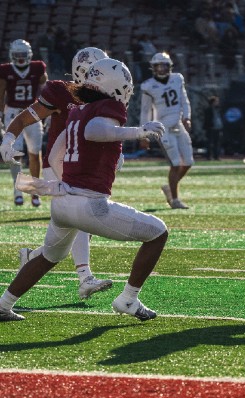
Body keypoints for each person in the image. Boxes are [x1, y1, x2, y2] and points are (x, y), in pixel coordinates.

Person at [0, 58, 168, 322]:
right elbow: (95, 131)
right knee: (158, 233)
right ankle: (128, 298)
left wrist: (69, 179)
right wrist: (139, 132)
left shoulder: (78, 110)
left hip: (63, 200)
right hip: (89, 204)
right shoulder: (106, 106)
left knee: (48, 256)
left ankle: (3, 304)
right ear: (117, 85)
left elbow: (57, 152)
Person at [1, 46, 113, 298]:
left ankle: (31, 257)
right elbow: (25, 118)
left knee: (61, 244)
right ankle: (85, 277)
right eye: (99, 72)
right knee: (83, 216)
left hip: (83, 166)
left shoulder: (105, 97)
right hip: (59, 165)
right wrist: (8, 138)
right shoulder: (61, 92)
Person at [140, 52, 193, 209]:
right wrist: (144, 134)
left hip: (179, 124)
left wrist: (187, 117)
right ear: (153, 67)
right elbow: (145, 111)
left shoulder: (177, 79)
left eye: (164, 65)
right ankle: (175, 200)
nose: (162, 69)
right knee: (175, 164)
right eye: (159, 65)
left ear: (169, 66)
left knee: (189, 162)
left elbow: (184, 100)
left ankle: (169, 188)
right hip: (163, 128)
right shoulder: (148, 86)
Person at [0, 39, 48, 207]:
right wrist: (0, 115)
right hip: (12, 113)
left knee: (35, 153)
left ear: (29, 55)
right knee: (15, 153)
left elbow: (46, 90)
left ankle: (35, 191)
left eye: (23, 55)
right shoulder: (6, 70)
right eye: (17, 55)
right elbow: (1, 94)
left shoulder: (38, 68)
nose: (20, 58)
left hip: (33, 112)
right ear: (12, 56)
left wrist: (47, 111)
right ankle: (18, 190)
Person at [204, 95, 223, 160]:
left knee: (217, 143)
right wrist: (210, 125)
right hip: (211, 128)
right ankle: (209, 156)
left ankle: (216, 156)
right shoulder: (208, 109)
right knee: (210, 143)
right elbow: (207, 119)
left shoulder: (218, 109)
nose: (217, 103)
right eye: (216, 101)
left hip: (218, 128)